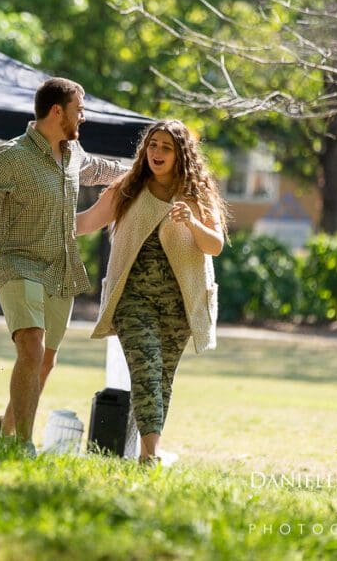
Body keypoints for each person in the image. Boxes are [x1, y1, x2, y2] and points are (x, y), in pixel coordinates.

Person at [0, 77, 128, 449]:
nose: (83, 117)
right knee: (31, 345)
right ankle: (21, 445)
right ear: (58, 111)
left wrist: (145, 169)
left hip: (60, 267)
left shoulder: (73, 154)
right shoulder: (14, 156)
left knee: (45, 361)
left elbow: (102, 170)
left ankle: (3, 434)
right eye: (79, 110)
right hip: (17, 263)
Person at [76, 120, 226, 464]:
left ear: (181, 155)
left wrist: (191, 220)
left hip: (179, 306)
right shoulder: (128, 188)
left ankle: (147, 452)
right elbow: (85, 223)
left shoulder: (197, 194)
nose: (156, 153)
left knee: (162, 379)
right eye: (152, 145)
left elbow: (214, 245)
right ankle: (150, 455)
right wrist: (41, 220)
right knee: (146, 370)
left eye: (166, 147)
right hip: (133, 300)